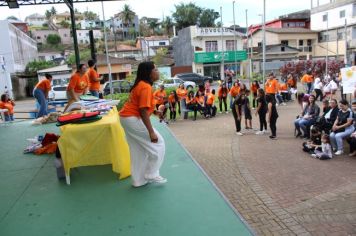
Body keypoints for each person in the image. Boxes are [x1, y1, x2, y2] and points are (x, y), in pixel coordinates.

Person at [119, 61, 167, 187]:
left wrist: (155, 111)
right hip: (132, 118)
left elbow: (141, 106)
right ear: (149, 73)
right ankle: (151, 173)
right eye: (155, 70)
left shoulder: (141, 84)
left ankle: (138, 180)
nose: (158, 72)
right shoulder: (145, 87)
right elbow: (142, 110)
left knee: (138, 150)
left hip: (126, 118)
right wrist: (151, 132)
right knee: (159, 144)